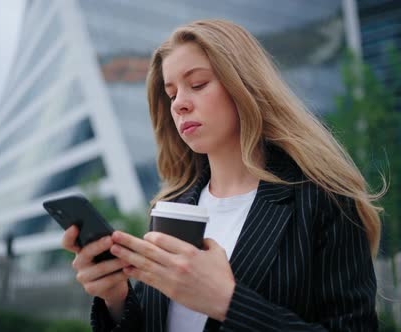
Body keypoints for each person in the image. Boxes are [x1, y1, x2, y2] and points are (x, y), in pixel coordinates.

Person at [62, 19, 384, 331]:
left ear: (242, 83)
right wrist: (116, 297)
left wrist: (227, 302)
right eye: (171, 94)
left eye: (198, 84)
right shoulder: (172, 208)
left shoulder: (323, 200)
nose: (179, 105)